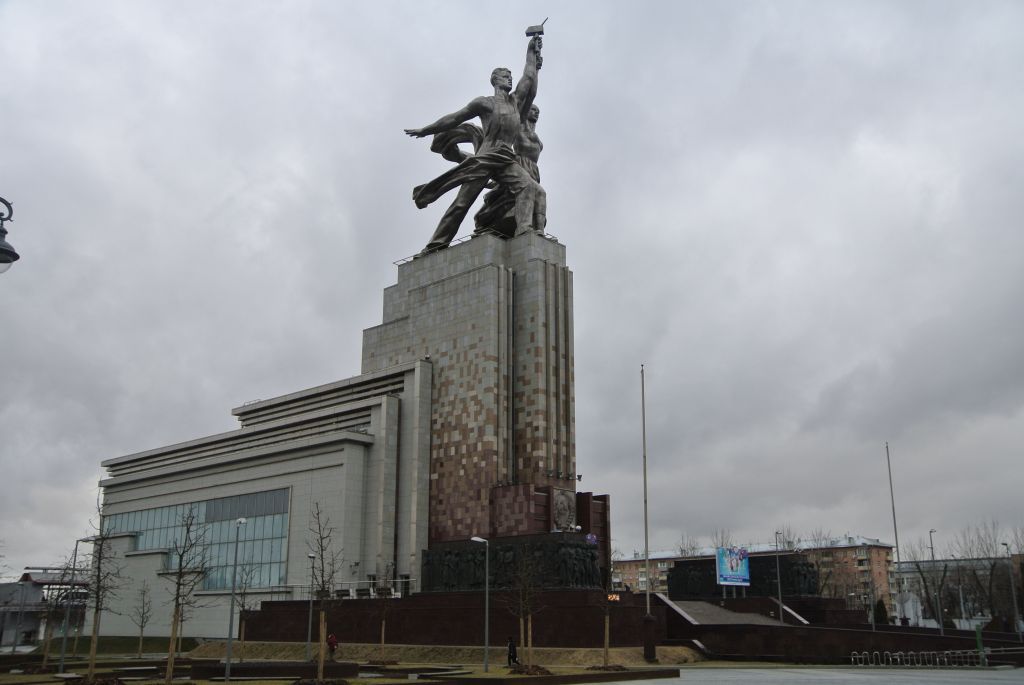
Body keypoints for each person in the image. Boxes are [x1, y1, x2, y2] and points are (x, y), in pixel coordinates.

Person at [405, 35, 543, 254]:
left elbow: (528, 78)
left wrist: (532, 53)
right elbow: (454, 118)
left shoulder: (515, 101)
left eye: (510, 77)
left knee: (528, 187)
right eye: (505, 76)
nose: (509, 79)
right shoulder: (484, 103)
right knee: (462, 203)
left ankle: (524, 229)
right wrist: (426, 130)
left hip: (506, 159)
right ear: (495, 80)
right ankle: (435, 245)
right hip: (486, 157)